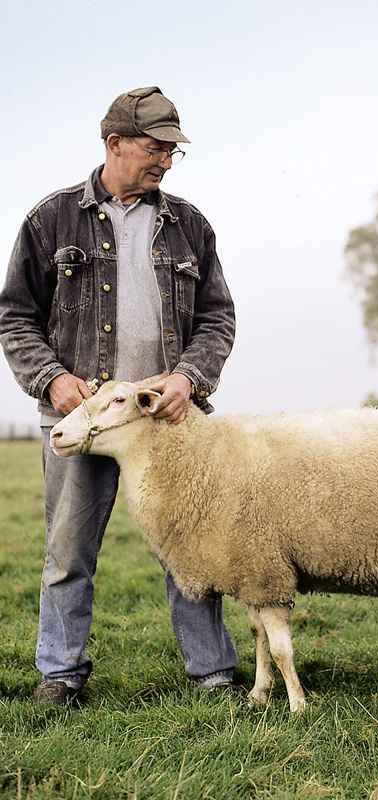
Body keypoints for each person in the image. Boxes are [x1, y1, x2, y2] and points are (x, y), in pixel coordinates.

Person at [0, 87, 238, 704]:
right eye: (155, 149)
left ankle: (212, 673)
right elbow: (15, 318)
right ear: (114, 144)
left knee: (190, 548)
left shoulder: (190, 225)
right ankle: (60, 674)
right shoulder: (50, 220)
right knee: (68, 549)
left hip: (166, 421)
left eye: (172, 153)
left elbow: (217, 318)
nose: (165, 161)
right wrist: (53, 379)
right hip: (79, 422)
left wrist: (188, 377)